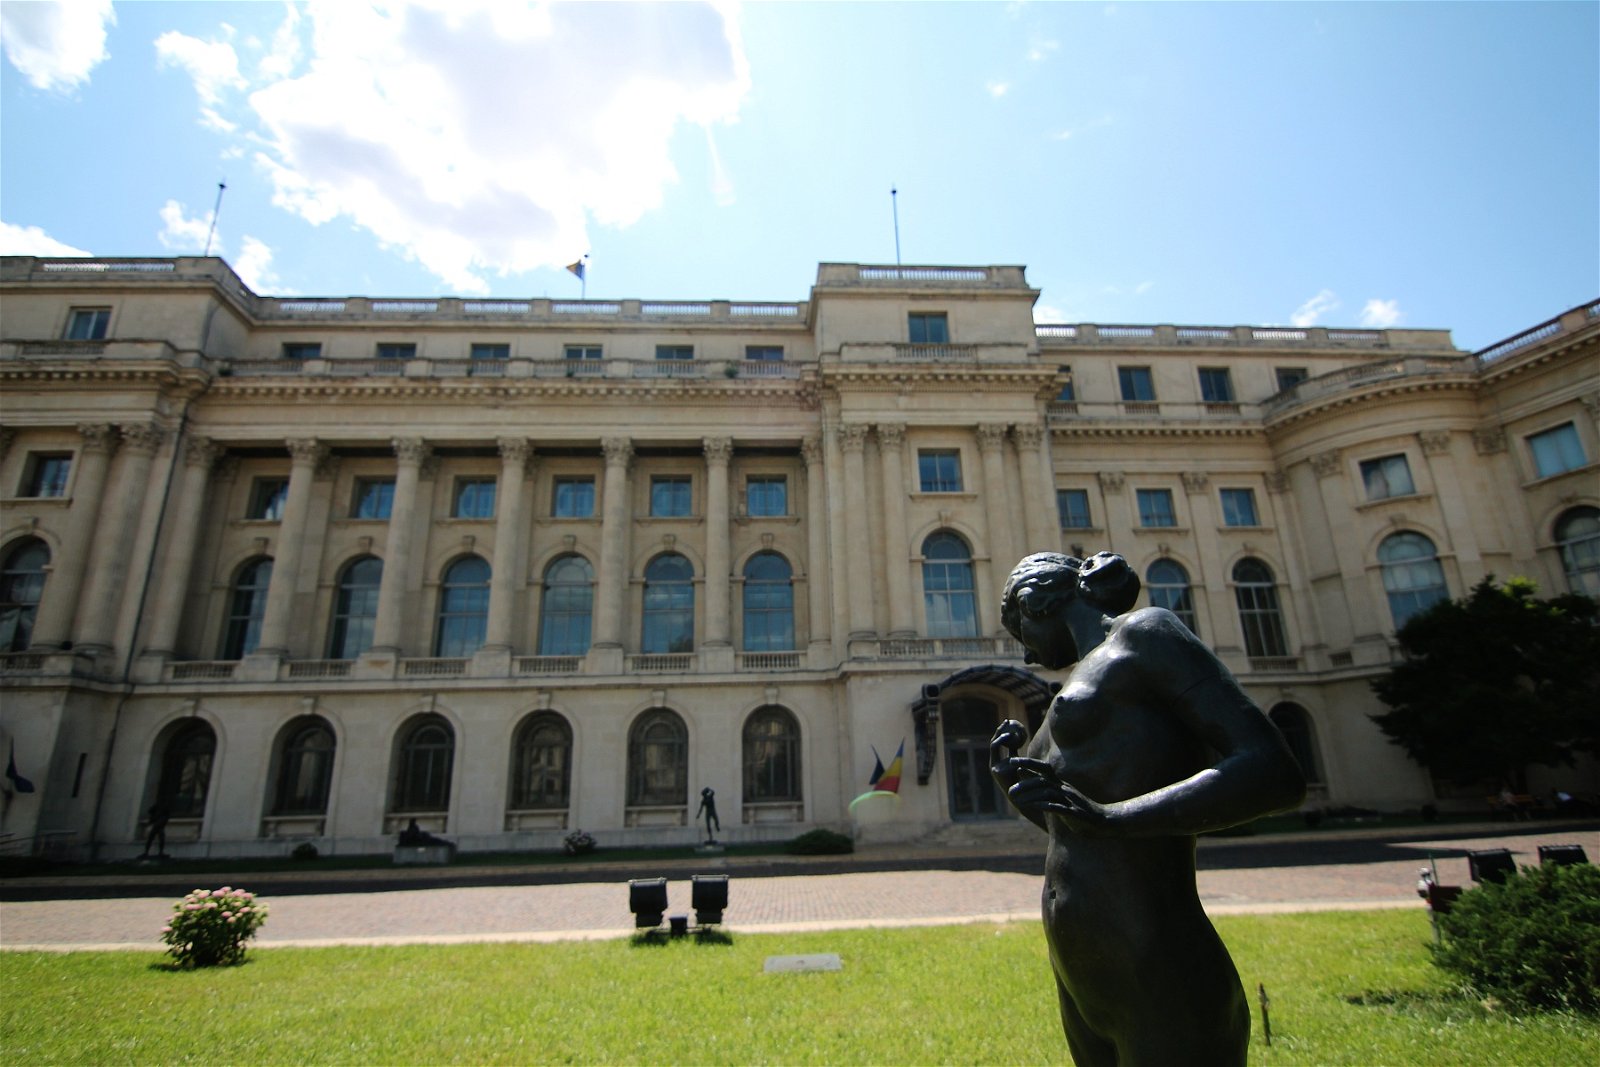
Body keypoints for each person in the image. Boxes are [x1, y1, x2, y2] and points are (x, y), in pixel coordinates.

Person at [990, 551, 1305, 1067]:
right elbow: (1072, 823)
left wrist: (1117, 819)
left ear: (1035, 605)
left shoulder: (1147, 634)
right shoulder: (1074, 684)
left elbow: (1274, 771)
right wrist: (1015, 784)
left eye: (1022, 636)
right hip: (1084, 970)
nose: (1027, 658)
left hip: (1154, 958)